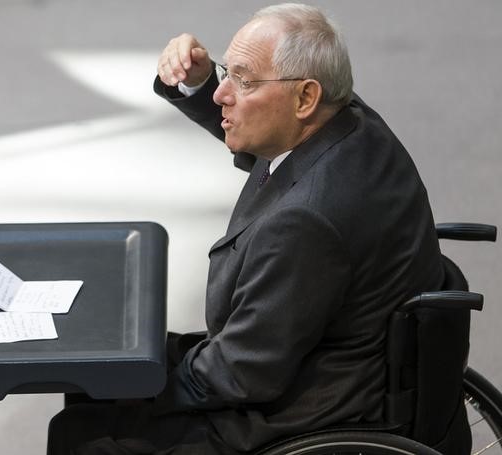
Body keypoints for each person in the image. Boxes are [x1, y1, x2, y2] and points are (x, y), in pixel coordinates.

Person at [48, 4, 467, 454]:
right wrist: (201, 77)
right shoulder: (347, 121)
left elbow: (243, 372)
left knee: (83, 430)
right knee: (105, 369)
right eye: (229, 72)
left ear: (306, 96)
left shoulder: (306, 222)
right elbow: (263, 130)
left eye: (243, 81)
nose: (221, 95)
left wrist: (145, 394)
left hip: (298, 411)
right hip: (337, 354)